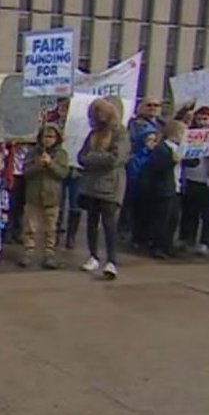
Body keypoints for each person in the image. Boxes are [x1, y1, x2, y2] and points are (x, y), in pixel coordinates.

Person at [78, 98, 130, 280]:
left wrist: (93, 158)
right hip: (91, 184)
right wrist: (96, 158)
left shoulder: (120, 133)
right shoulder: (92, 134)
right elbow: (81, 157)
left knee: (109, 223)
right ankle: (93, 255)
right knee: (91, 220)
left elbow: (115, 159)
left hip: (111, 185)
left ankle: (112, 260)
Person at [178, 106, 209, 256]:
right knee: (189, 211)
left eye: (205, 119)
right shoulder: (188, 134)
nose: (201, 122)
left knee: (208, 213)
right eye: (198, 119)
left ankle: (205, 241)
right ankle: (187, 238)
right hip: (191, 177)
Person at [19, 124, 69, 269]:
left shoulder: (62, 154)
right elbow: (26, 172)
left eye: (51, 137)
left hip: (52, 196)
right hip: (33, 195)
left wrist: (51, 164)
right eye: (45, 137)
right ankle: (28, 251)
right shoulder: (33, 152)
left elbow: (63, 174)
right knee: (30, 226)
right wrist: (38, 165)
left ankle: (49, 253)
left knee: (50, 228)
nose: (48, 140)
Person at [145, 121, 187, 260]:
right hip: (164, 188)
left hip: (176, 187)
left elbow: (191, 162)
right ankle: (157, 246)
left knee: (173, 219)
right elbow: (158, 166)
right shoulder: (162, 148)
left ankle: (168, 245)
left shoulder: (180, 148)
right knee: (162, 219)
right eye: (182, 133)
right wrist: (173, 160)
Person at [128, 129, 160, 249]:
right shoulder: (137, 156)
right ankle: (137, 238)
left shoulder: (157, 154)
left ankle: (148, 238)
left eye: (155, 140)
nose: (152, 143)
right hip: (139, 189)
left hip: (152, 189)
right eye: (149, 140)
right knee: (139, 215)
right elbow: (134, 172)